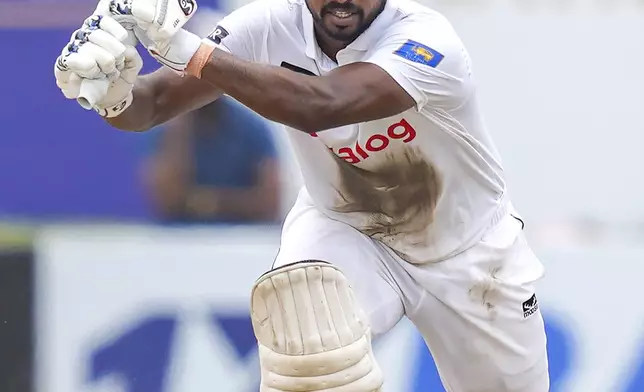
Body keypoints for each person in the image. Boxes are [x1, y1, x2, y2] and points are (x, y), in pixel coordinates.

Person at [54, 0, 550, 390]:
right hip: (347, 227)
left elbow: (321, 105)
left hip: (470, 252)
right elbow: (154, 103)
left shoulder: (427, 40)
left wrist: (185, 49)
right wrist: (111, 94)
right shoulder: (268, 24)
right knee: (308, 359)